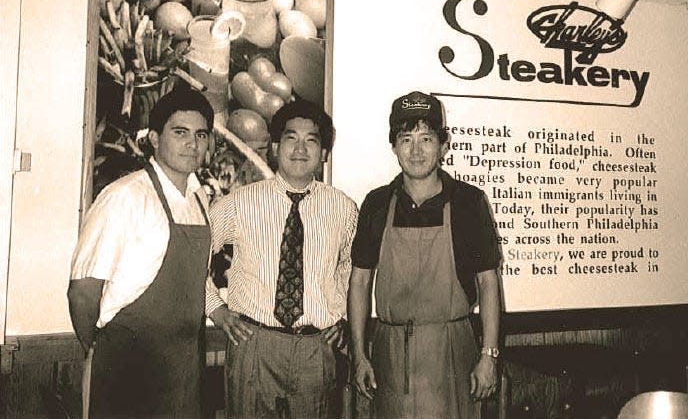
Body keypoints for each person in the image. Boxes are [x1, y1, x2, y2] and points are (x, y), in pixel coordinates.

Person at [349, 91, 502, 418]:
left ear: (443, 145)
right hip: (390, 355)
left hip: (452, 350)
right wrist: (360, 355)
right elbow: (360, 282)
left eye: (426, 138)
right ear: (394, 147)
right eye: (406, 139)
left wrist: (489, 355)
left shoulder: (468, 202)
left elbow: (488, 283)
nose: (416, 150)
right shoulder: (377, 204)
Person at [68, 86, 214, 418]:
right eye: (180, 133)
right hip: (127, 368)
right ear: (154, 137)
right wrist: (102, 350)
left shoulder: (199, 198)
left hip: (184, 368)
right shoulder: (124, 196)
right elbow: (83, 292)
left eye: (201, 135)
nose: (192, 143)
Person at [206, 99, 358, 418]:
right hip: (254, 345)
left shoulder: (343, 208)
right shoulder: (238, 204)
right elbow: (194, 260)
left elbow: (351, 269)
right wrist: (216, 311)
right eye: (291, 138)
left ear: (324, 153)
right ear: (275, 146)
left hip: (316, 350)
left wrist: (341, 314)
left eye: (311, 140)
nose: (300, 148)